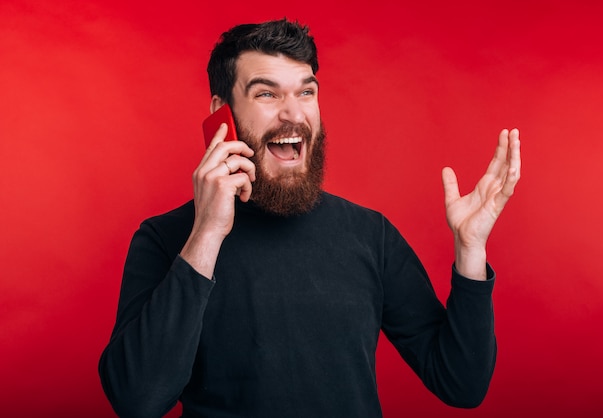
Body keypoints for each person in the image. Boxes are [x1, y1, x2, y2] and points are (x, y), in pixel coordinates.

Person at [98, 18, 521, 418]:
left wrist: (470, 251)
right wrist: (207, 233)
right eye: (266, 94)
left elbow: (461, 384)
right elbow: (138, 400)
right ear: (220, 114)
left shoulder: (370, 234)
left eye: (306, 92)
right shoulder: (165, 238)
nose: (293, 114)